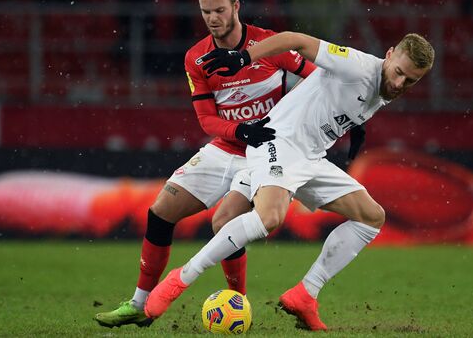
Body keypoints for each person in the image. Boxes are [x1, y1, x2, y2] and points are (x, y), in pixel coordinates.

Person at [142, 31, 434, 331]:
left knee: (371, 217)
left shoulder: (385, 88)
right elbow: (296, 40)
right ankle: (181, 278)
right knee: (270, 217)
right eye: (398, 72)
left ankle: (306, 294)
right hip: (278, 142)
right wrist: (245, 57)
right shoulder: (356, 65)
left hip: (310, 158)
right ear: (388, 55)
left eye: (410, 81)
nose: (400, 83)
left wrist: (357, 125)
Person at [94, 0, 326, 328]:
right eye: (205, 12)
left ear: (236, 6)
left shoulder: (270, 45)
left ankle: (239, 303)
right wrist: (239, 129)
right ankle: (139, 303)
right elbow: (206, 119)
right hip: (226, 145)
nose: (213, 18)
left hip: (266, 152)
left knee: (226, 222)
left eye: (219, 10)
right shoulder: (196, 58)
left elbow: (319, 81)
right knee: (160, 213)